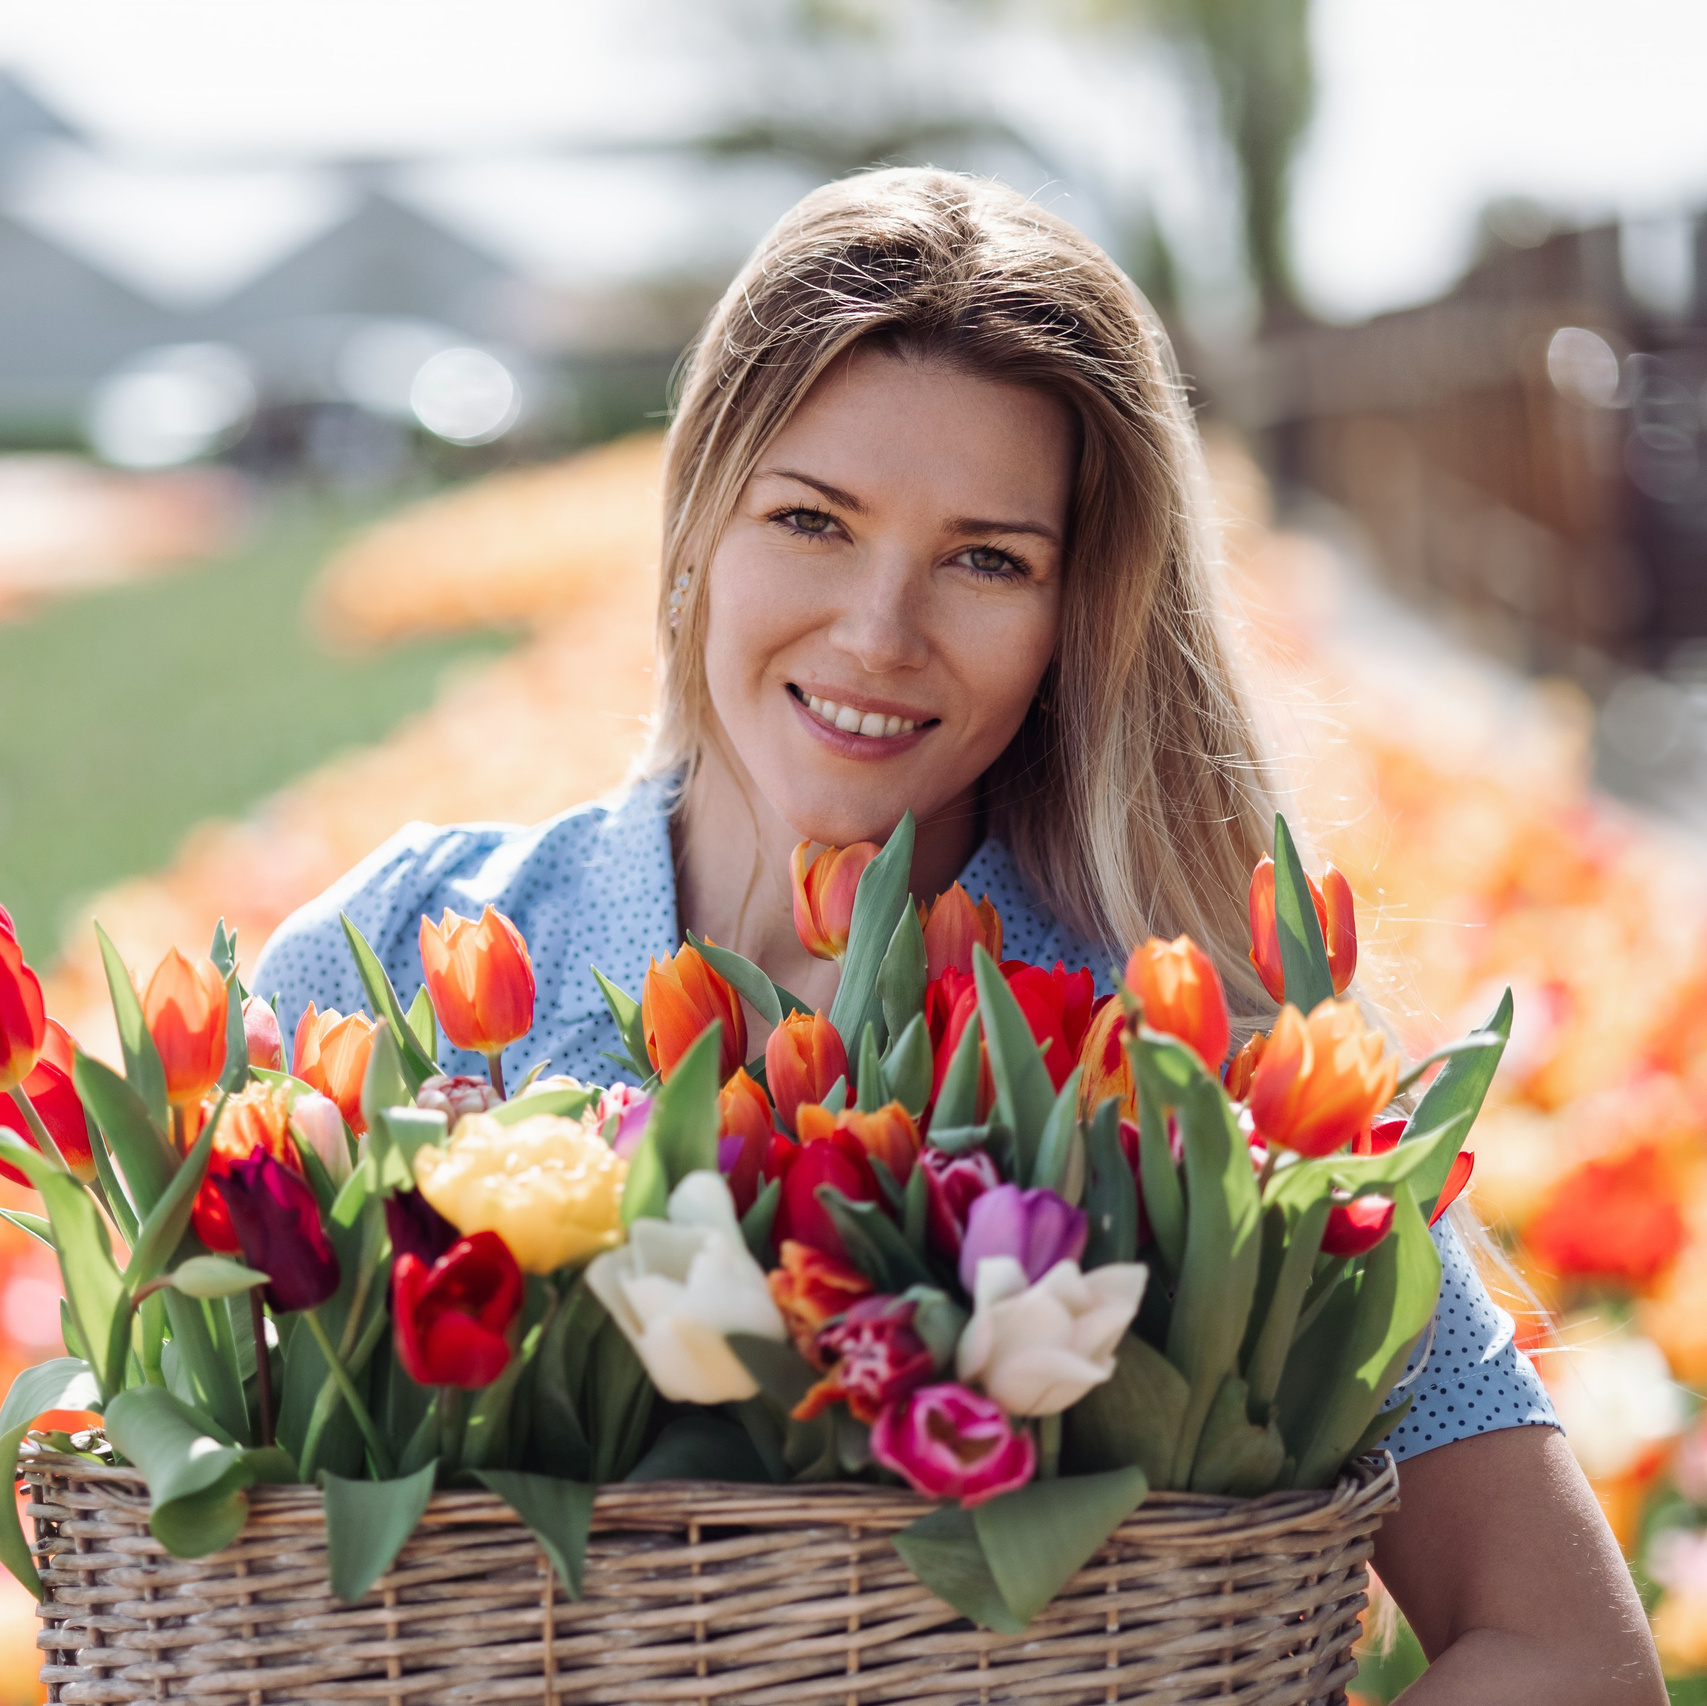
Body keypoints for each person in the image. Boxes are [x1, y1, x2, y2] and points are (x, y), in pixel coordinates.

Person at [254, 168, 1664, 1701]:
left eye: (988, 557)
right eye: (811, 519)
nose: (879, 630)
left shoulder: (1195, 1060)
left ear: (1081, 616)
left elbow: (1569, 1653)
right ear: (696, 526)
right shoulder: (395, 966)